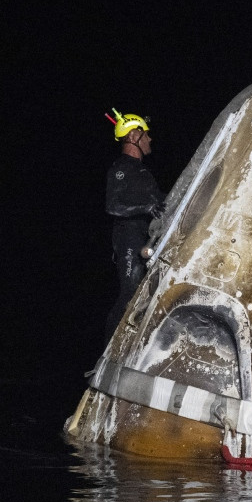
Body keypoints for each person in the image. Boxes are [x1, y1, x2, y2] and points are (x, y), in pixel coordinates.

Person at [105, 109, 166, 340]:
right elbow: (113, 206)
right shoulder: (122, 167)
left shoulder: (143, 172)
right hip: (128, 238)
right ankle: (107, 352)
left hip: (145, 239)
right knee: (130, 292)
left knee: (146, 293)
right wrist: (146, 208)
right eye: (146, 134)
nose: (150, 139)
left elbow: (161, 201)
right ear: (133, 137)